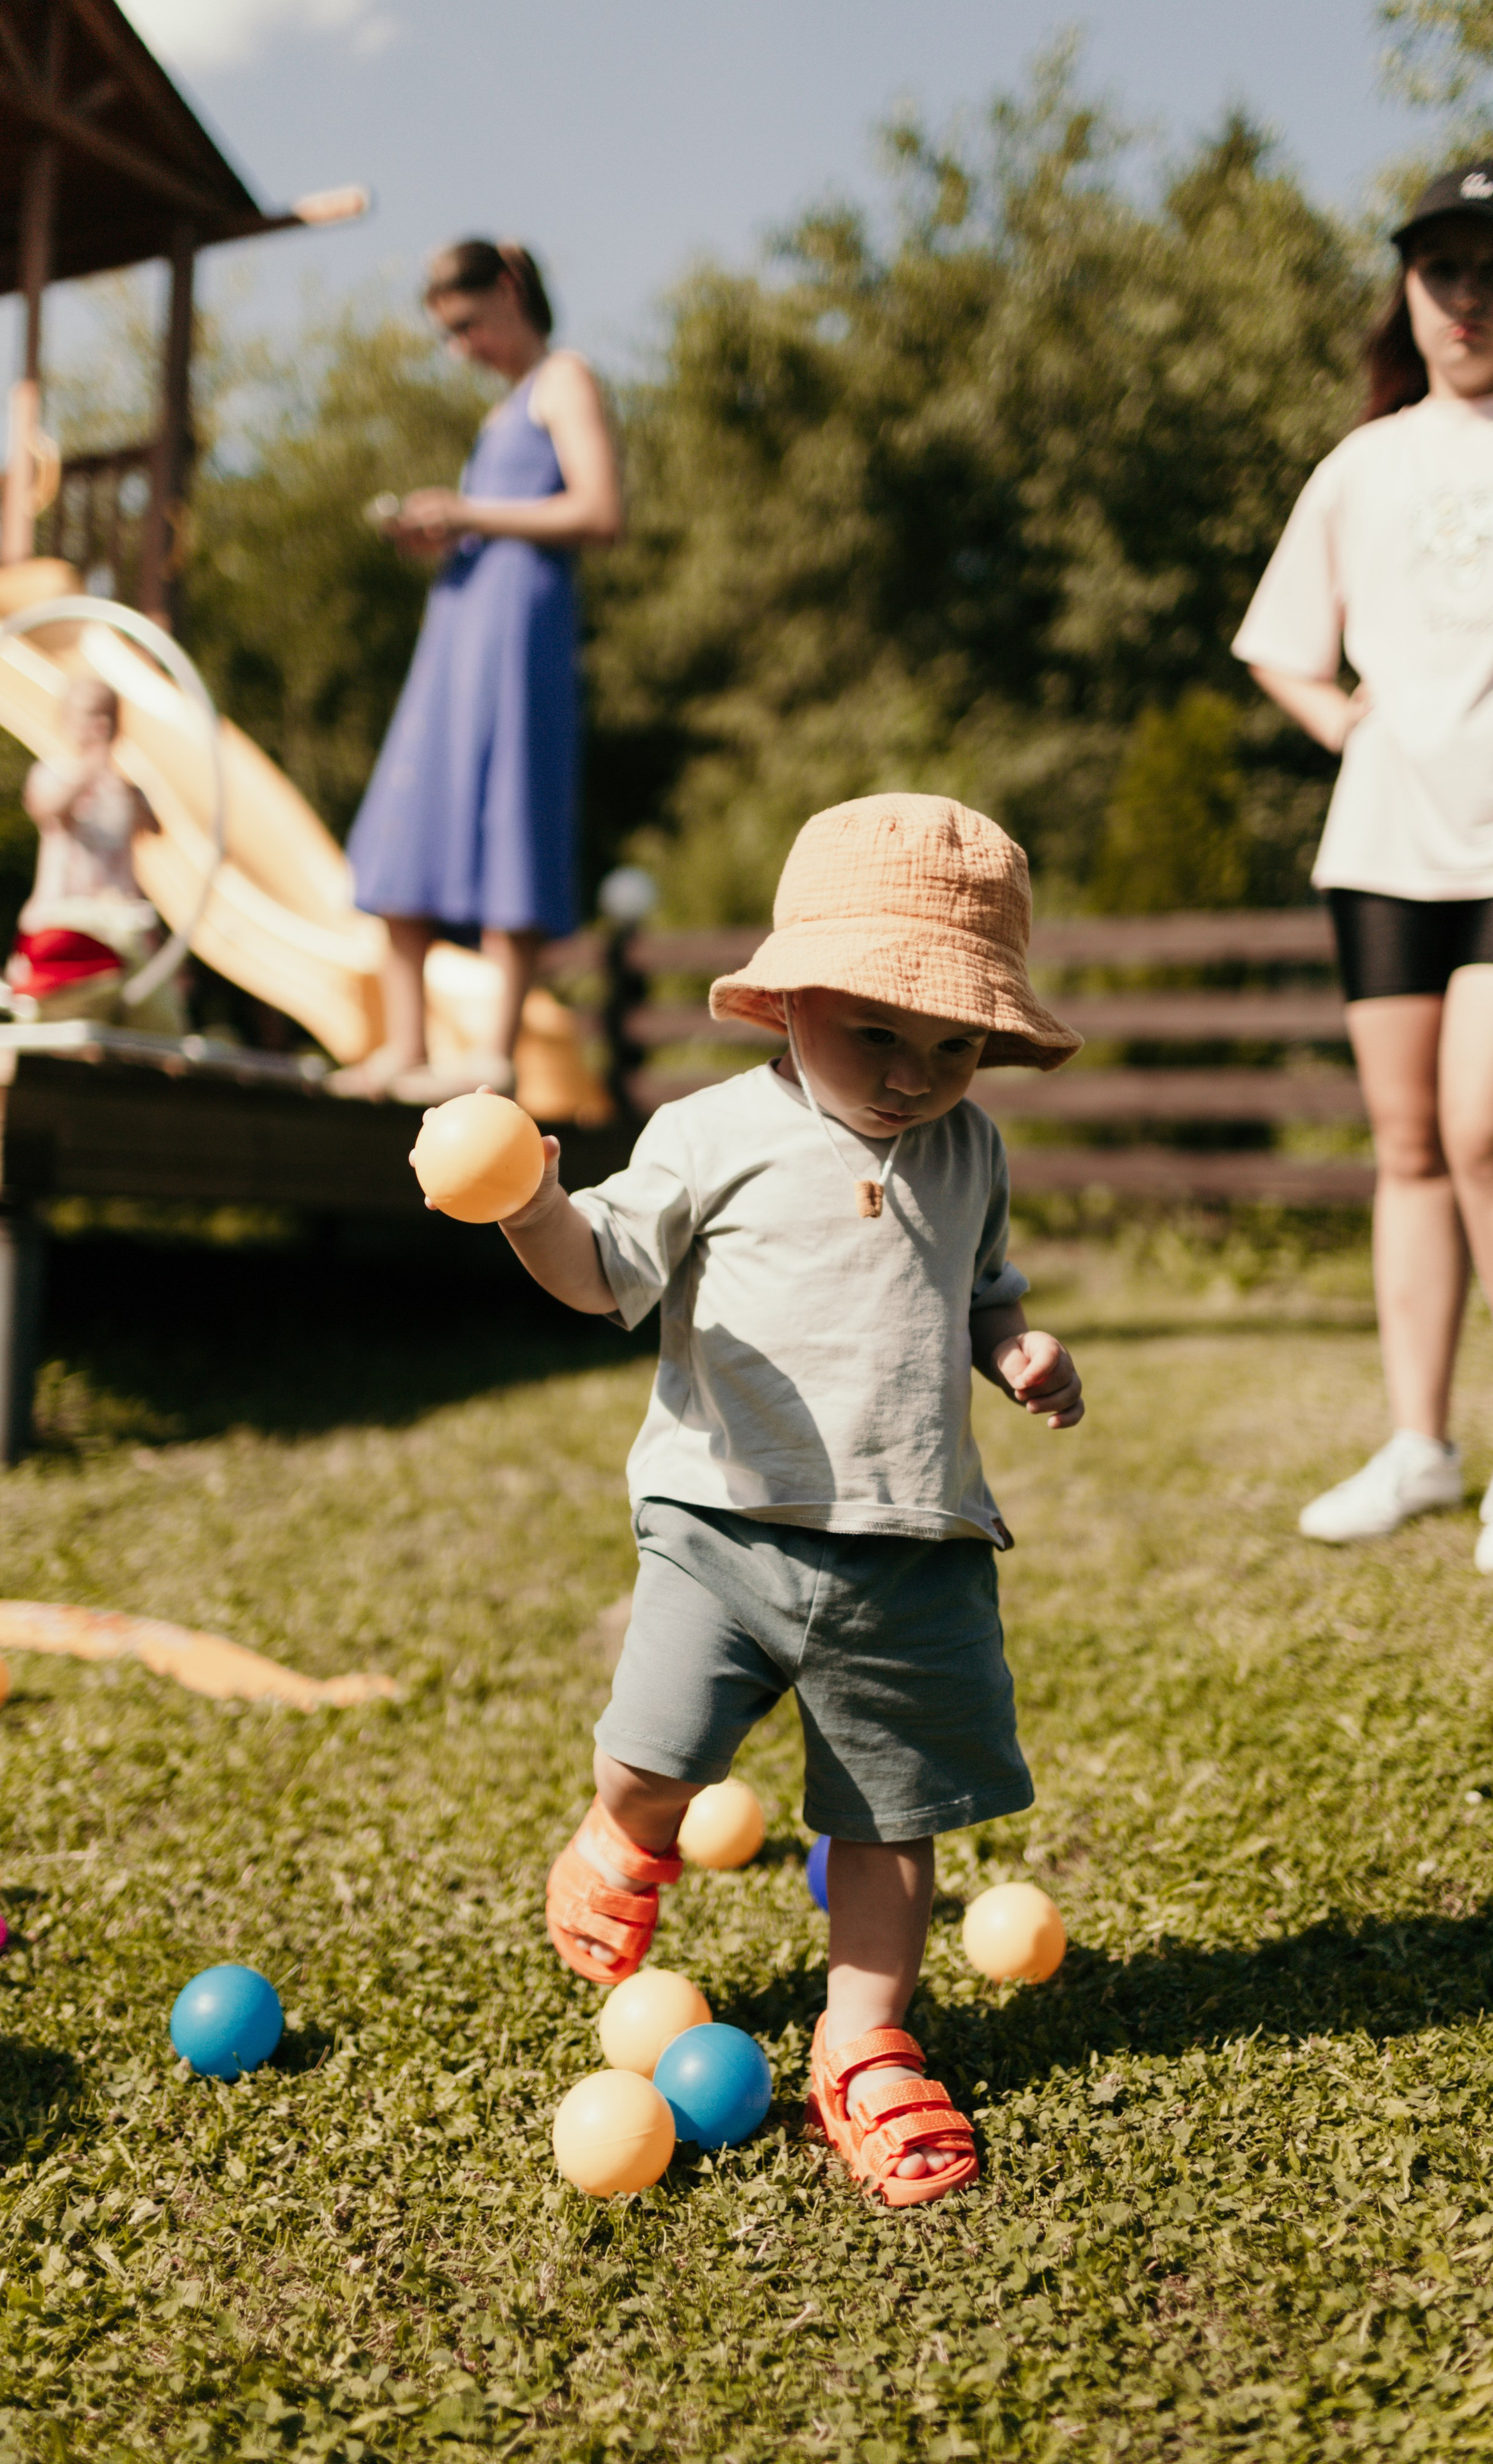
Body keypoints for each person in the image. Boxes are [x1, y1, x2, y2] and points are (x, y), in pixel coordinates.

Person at [446, 793, 1084, 2205]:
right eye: (877, 1033)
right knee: (656, 1753)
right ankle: (622, 1833)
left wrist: (1015, 1350)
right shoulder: (709, 1130)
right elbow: (603, 1270)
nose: (914, 1075)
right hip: (718, 1530)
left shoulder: (970, 1152)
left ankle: (862, 2045)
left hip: (910, 1548)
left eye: (951, 1045)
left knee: (889, 1820)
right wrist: (533, 1210)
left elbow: (975, 1293)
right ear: (788, 996)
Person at [1236, 159, 1493, 1575]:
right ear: (1405, 288)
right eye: (1440, 269)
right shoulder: (1359, 465)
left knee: (1489, 1130)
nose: (1464, 296)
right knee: (1408, 1148)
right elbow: (1279, 645)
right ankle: (1420, 1446)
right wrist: (1347, 718)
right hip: (1379, 847)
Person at [336, 239, 621, 1101]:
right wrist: (451, 531)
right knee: (410, 816)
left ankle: (491, 1054)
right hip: (461, 632)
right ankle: (407, 1049)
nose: (462, 349)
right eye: (447, 336)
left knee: (510, 818)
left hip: (518, 638)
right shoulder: (503, 410)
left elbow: (601, 509)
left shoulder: (562, 378)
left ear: (507, 290)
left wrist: (467, 510)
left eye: (466, 327)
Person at [8, 676, 184, 1034]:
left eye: (107, 717)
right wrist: (89, 770)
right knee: (58, 1020)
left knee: (158, 1021)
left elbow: (155, 828)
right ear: (68, 721)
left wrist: (120, 783)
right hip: (65, 922)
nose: (100, 726)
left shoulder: (126, 789)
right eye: (91, 716)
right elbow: (48, 810)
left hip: (119, 922)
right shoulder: (53, 774)